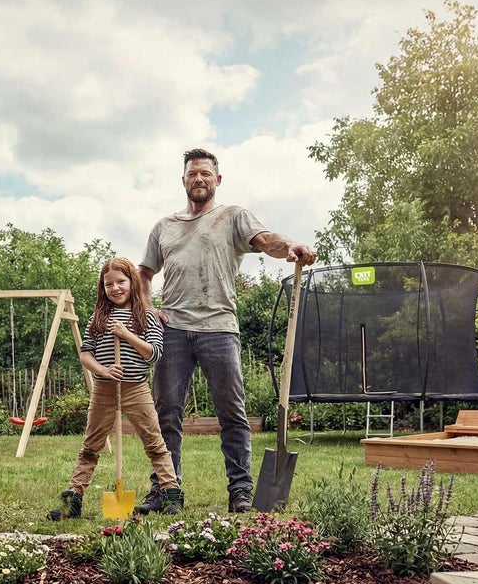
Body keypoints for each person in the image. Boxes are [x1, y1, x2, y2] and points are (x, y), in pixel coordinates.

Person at [136, 148, 316, 515]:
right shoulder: (163, 226)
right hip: (171, 330)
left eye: (205, 173)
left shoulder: (233, 217)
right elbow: (143, 274)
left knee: (232, 413)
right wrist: (149, 309)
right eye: (192, 174)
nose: (198, 179)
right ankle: (166, 489)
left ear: (217, 180)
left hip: (219, 329)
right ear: (183, 180)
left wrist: (291, 247)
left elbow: (266, 241)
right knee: (165, 413)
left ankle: (241, 491)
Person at [48, 257, 184, 520]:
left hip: (136, 389)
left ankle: (171, 496)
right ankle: (72, 501)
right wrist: (103, 370)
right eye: (109, 284)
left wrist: (126, 334)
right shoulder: (97, 318)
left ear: (133, 282)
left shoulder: (147, 317)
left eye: (121, 281)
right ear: (103, 288)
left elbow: (153, 354)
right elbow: (85, 355)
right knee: (90, 445)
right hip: (104, 390)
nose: (115, 288)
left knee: (155, 443)